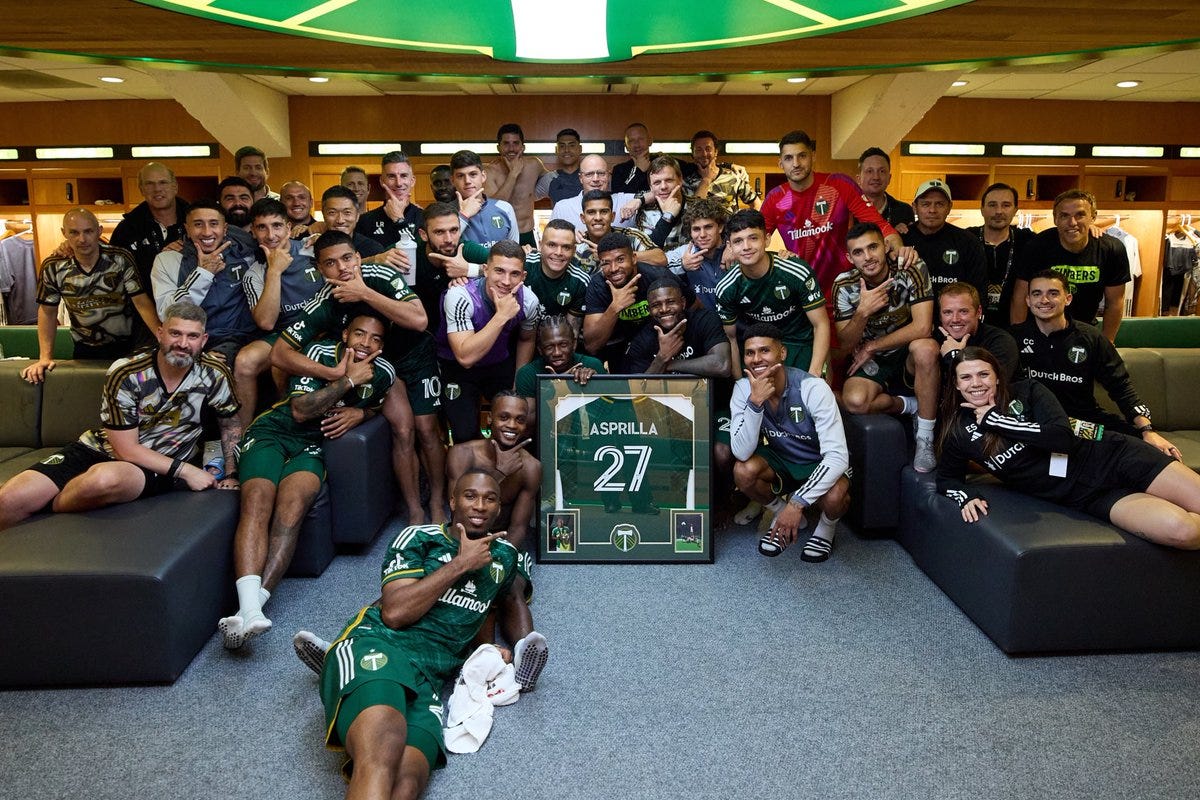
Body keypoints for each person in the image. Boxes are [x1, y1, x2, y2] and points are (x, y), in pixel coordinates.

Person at [313, 470, 544, 800]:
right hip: (381, 645)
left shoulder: (504, 556)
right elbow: (394, 614)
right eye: (469, 496)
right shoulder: (418, 539)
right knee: (382, 754)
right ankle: (335, 661)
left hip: (430, 678)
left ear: (498, 508)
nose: (479, 505)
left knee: (408, 781)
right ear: (452, 501)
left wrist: (485, 651)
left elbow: (488, 604)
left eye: (490, 499)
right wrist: (461, 564)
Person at [219, 310, 395, 650]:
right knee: (257, 502)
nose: (366, 344)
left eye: (376, 339)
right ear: (345, 335)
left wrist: (362, 411)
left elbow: (376, 404)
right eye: (359, 334)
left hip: (313, 445)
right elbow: (301, 409)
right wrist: (347, 381)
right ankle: (251, 608)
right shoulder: (317, 352)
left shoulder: (384, 372)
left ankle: (252, 610)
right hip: (275, 431)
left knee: (292, 510)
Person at [0, 301, 241, 530]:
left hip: (157, 464)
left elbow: (229, 425)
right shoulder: (126, 371)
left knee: (103, 480)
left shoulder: (215, 373)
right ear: (160, 333)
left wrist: (230, 474)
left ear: (204, 340)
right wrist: (187, 471)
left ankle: (42, 514)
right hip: (100, 448)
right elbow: (125, 449)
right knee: (8, 500)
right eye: (175, 333)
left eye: (192, 336)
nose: (183, 343)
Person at [937, 346, 1200, 550]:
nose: (976, 383)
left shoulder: (1029, 390)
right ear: (957, 384)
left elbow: (1060, 437)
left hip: (1114, 456)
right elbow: (947, 478)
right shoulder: (958, 431)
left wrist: (996, 420)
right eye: (966, 377)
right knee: (1184, 532)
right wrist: (965, 496)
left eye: (983, 374)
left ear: (996, 377)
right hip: (1087, 496)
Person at [272, 230, 440, 524]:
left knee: (425, 429)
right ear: (320, 269)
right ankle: (414, 510)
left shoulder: (380, 275)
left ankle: (437, 500)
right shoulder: (325, 301)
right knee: (403, 428)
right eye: (331, 263)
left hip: (413, 354)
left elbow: (418, 319)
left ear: (359, 257)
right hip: (371, 363)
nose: (343, 268)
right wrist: (334, 374)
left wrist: (364, 293)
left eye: (348, 258)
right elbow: (279, 354)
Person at [1013, 270, 1181, 458]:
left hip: (1079, 424)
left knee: (1141, 447)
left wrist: (1147, 431)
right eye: (1037, 293)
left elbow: (1121, 387)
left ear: (1067, 299)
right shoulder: (1013, 338)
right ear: (1028, 300)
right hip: (1034, 424)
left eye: (1053, 293)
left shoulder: (1090, 338)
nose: (1044, 300)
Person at [729, 323, 851, 561]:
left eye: (765, 350)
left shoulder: (812, 388)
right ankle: (779, 512)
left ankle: (826, 528)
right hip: (782, 461)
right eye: (750, 353)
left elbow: (837, 457)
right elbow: (741, 452)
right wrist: (755, 404)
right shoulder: (743, 389)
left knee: (836, 496)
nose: (756, 359)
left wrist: (796, 503)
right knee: (743, 471)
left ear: (782, 353)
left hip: (819, 462)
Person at [833, 222, 940, 472]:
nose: (868, 257)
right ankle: (909, 405)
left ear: (885, 246)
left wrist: (872, 345)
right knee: (855, 401)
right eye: (858, 252)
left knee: (925, 348)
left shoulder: (910, 267)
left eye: (873, 247)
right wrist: (862, 312)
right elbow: (846, 344)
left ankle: (925, 438)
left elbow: (923, 327)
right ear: (850, 258)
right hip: (874, 357)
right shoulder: (844, 284)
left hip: (907, 347)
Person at [22, 208, 161, 384]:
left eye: (88, 231)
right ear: (64, 233)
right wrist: (45, 357)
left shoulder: (119, 258)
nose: (82, 239)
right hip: (85, 349)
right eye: (74, 232)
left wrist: (162, 338)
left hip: (127, 346)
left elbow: (141, 302)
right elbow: (47, 311)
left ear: (99, 231)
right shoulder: (54, 266)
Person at [761, 130, 903, 302]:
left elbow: (875, 221)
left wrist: (893, 238)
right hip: (804, 293)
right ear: (780, 163)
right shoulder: (776, 199)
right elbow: (756, 239)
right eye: (789, 158)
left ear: (813, 157)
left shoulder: (839, 184)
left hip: (846, 290)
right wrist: (777, 258)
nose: (796, 163)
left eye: (802, 156)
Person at [436, 240, 540, 443]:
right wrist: (501, 316)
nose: (506, 281)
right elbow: (465, 357)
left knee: (513, 426)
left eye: (515, 274)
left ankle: (502, 470)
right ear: (485, 270)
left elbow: (526, 339)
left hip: (498, 364)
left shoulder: (528, 301)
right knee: (464, 434)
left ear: (523, 276)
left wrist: (517, 382)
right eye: (499, 271)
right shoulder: (460, 296)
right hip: (458, 367)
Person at [714, 209, 828, 378]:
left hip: (801, 343)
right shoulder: (727, 287)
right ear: (729, 247)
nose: (746, 247)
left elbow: (821, 324)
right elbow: (731, 339)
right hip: (760, 348)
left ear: (767, 239)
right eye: (738, 241)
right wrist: (740, 384)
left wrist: (815, 374)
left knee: (808, 397)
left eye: (753, 238)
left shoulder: (796, 271)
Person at [1010, 189, 1129, 342]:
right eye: (1064, 215)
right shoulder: (1037, 246)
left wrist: (1108, 343)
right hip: (1040, 334)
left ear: (1093, 217)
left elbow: (1114, 302)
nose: (1072, 222)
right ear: (1055, 219)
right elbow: (1020, 297)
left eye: (1080, 215)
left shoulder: (1111, 249)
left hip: (1086, 332)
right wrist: (1018, 340)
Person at [149, 200, 258, 366]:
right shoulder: (168, 259)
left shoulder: (246, 255)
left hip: (236, 338)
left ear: (225, 228)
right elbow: (167, 314)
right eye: (198, 224)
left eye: (214, 224)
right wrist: (203, 273)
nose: (207, 232)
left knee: (214, 365)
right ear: (187, 229)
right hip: (188, 338)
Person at [582, 231, 690, 372]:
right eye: (606, 263)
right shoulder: (599, 285)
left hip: (660, 343)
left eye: (620, 259)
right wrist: (615, 307)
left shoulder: (658, 276)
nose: (614, 269)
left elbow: (694, 308)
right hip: (620, 351)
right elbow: (592, 345)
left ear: (634, 258)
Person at [446, 391, 540, 548]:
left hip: (500, 541)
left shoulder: (531, 467)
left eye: (520, 420)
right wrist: (499, 473)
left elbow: (518, 528)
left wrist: (501, 559)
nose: (512, 425)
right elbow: (457, 512)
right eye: (504, 417)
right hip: (461, 538)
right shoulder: (461, 454)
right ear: (490, 418)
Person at [902, 179, 988, 305]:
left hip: (954, 321)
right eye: (926, 204)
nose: (932, 210)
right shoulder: (902, 239)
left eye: (940, 204)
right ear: (915, 207)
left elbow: (977, 293)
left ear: (949, 207)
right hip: (909, 321)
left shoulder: (968, 242)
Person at [514, 315, 605, 430]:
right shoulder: (528, 373)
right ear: (540, 350)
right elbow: (528, 422)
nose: (557, 352)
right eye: (549, 347)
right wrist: (551, 387)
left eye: (563, 345)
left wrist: (595, 384)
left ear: (574, 344)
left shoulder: (592, 365)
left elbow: (608, 413)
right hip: (546, 440)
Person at [624, 279, 730, 377]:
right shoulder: (642, 339)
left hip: (707, 395)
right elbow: (638, 392)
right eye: (656, 305)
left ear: (683, 303)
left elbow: (722, 365)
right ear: (649, 310)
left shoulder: (705, 320)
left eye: (670, 302)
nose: (664, 309)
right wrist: (661, 357)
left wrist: (669, 363)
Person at [110, 162, 189, 292]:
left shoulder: (198, 222)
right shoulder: (126, 229)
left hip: (194, 308)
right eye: (149, 184)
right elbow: (114, 273)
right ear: (141, 189)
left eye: (163, 182)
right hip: (142, 308)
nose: (157, 189)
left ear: (175, 186)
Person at [966, 182, 1032, 324]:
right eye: (992, 205)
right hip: (972, 324)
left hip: (1014, 324)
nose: (999, 211)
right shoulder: (966, 239)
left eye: (1006, 205)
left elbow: (1058, 237)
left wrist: (1088, 230)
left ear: (1015, 209)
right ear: (982, 209)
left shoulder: (1028, 241)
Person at [934, 281, 1019, 380]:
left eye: (963, 311)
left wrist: (953, 355)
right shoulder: (934, 340)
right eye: (947, 312)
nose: (955, 319)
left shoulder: (1000, 341)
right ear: (940, 316)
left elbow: (988, 386)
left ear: (979, 312)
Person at [484, 123, 548, 248]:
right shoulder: (489, 172)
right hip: (501, 236)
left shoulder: (534, 165)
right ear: (499, 147)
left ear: (523, 147)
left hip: (527, 234)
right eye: (506, 143)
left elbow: (554, 184)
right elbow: (494, 210)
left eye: (516, 143)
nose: (511, 148)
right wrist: (513, 174)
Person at [573, 189, 663, 273]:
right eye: (591, 212)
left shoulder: (630, 235)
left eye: (604, 212)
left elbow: (661, 258)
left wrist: (614, 254)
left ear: (612, 216)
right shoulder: (576, 243)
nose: (598, 218)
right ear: (583, 218)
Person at [356, 151, 424, 258]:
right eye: (391, 176)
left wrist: (399, 220)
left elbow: (422, 257)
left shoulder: (425, 217)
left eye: (404, 176)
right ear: (382, 181)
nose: (398, 183)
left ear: (412, 181)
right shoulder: (365, 221)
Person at [522, 218, 590, 323]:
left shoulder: (580, 282)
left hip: (556, 336)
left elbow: (572, 332)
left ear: (574, 251)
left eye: (566, 247)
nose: (558, 252)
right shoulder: (523, 266)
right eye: (552, 245)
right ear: (540, 245)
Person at [549, 154, 637, 232]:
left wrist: (639, 200)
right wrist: (569, 236)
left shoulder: (625, 201)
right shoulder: (562, 208)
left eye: (601, 173)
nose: (595, 179)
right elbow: (550, 241)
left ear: (608, 176)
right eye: (589, 174)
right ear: (580, 178)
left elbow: (651, 193)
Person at [451, 150, 519, 247]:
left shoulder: (505, 208)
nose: (467, 181)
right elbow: (445, 245)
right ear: (453, 180)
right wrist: (464, 215)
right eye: (460, 176)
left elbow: (514, 251)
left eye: (473, 174)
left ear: (483, 176)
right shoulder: (446, 212)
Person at [681, 130, 760, 214]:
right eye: (698, 150)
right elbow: (691, 214)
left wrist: (748, 224)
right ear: (692, 153)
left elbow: (757, 204)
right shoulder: (686, 182)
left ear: (716, 152)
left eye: (708, 149)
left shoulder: (733, 176)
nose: (704, 154)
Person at [673, 197, 729, 310]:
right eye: (696, 229)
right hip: (702, 324)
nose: (702, 235)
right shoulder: (685, 252)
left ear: (720, 227)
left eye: (708, 227)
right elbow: (658, 269)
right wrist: (682, 266)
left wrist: (733, 247)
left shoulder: (733, 250)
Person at [855, 147, 914, 234]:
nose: (876, 177)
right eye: (869, 171)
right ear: (858, 179)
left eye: (882, 171)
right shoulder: (847, 211)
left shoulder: (904, 210)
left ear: (889, 178)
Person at [535, 127, 584, 205]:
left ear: (580, 149)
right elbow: (526, 198)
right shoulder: (549, 178)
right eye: (562, 146)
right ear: (556, 150)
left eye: (571, 145)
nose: (566, 150)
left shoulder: (591, 176)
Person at [612, 122, 654, 194]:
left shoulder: (663, 164)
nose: (637, 144)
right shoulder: (619, 170)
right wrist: (638, 171)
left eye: (640, 139)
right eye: (631, 141)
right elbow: (619, 199)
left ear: (650, 141)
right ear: (626, 146)